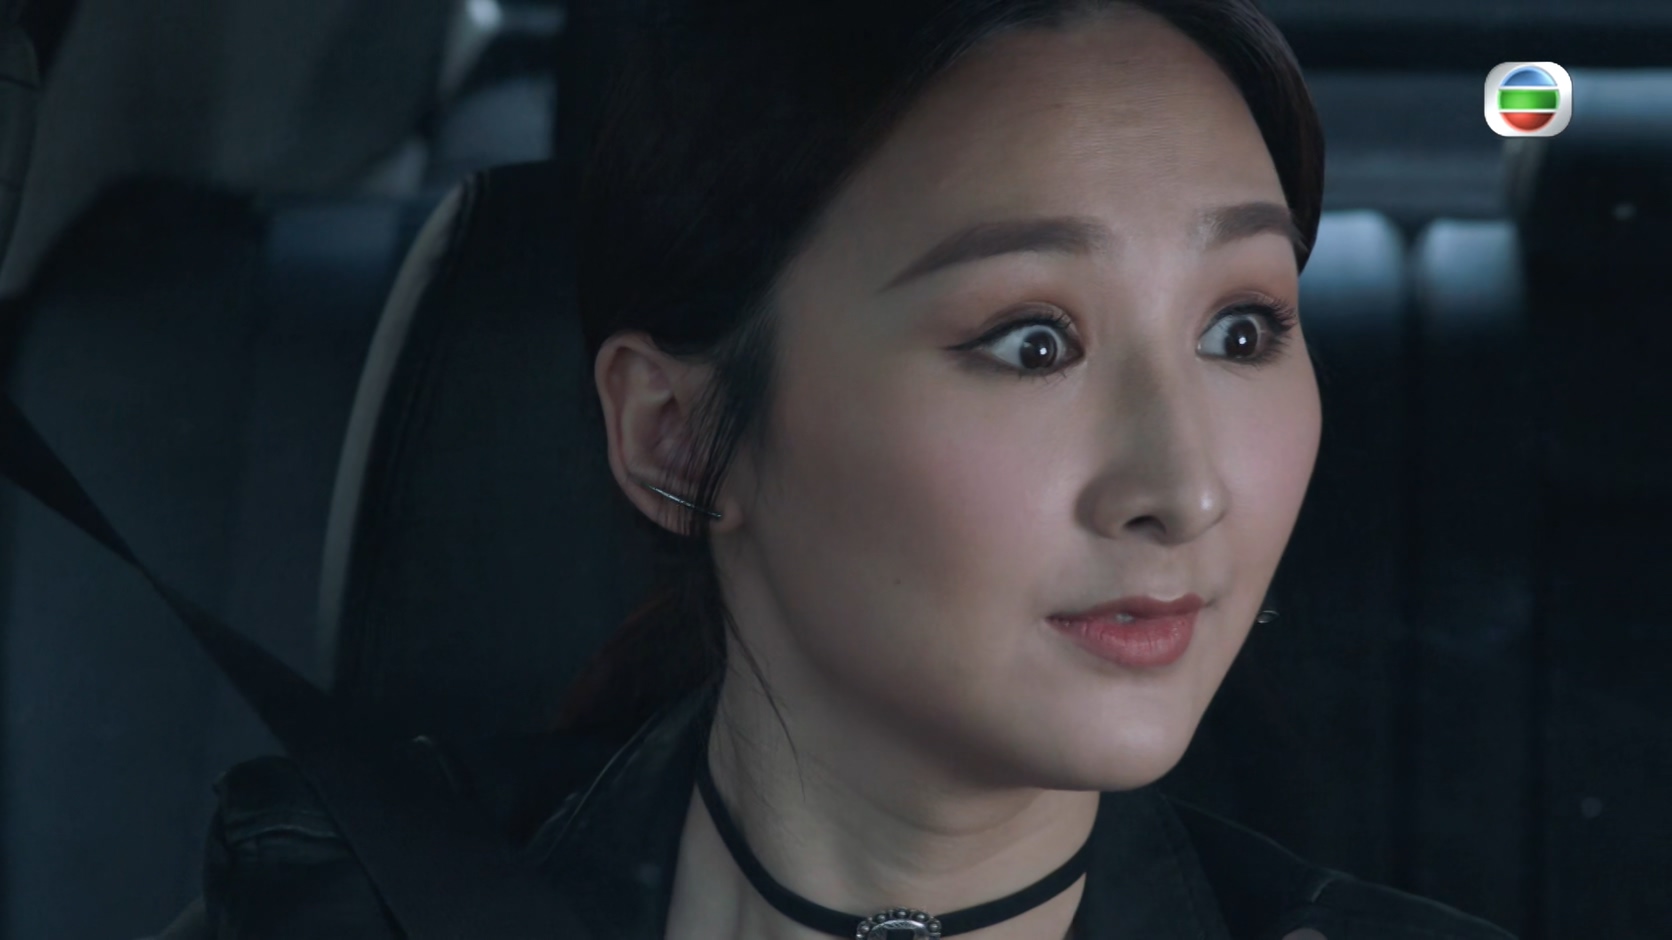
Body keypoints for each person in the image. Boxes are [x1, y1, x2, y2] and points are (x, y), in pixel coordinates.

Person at [157, 1, 1519, 937]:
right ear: (677, 438)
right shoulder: (322, 912)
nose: (1187, 488)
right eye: (1033, 342)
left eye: (1243, 329)